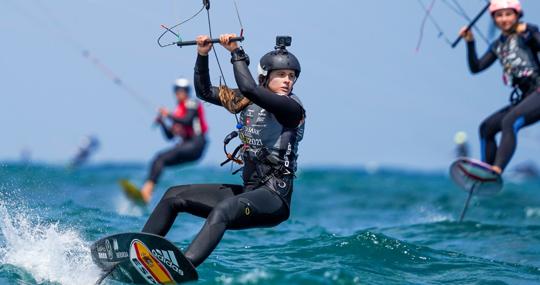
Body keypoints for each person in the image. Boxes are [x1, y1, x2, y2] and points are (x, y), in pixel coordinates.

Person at [141, 34, 305, 268]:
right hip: (248, 191)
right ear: (265, 77)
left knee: (224, 210)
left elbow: (249, 87)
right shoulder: (246, 101)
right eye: (281, 75)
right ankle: (139, 252)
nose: (287, 80)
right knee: (173, 196)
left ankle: (182, 266)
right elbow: (204, 91)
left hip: (274, 198)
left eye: (291, 76)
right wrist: (203, 54)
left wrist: (235, 52)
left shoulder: (291, 108)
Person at [459, 0, 540, 174]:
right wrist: (470, 42)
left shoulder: (529, 33)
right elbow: (477, 67)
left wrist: (528, 31)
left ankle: (497, 169)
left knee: (509, 121)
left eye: (508, 14)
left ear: (517, 15)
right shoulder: (498, 45)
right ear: (494, 19)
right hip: (525, 97)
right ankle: (485, 173)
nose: (504, 19)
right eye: (499, 15)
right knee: (486, 128)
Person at [139, 78, 208, 203]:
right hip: (187, 145)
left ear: (187, 91)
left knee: (161, 158)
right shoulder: (179, 111)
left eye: (181, 90)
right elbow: (170, 136)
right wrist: (162, 123)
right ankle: (146, 194)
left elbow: (187, 120)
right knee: (159, 160)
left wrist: (168, 115)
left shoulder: (191, 103)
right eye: (176, 90)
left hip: (196, 144)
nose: (178, 93)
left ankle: (146, 191)